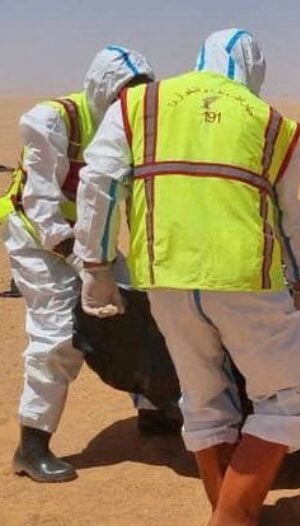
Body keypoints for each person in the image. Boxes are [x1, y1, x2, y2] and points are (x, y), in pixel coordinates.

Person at [74, 29, 300, 526]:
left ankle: (235, 517)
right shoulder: (275, 124)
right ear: (253, 72)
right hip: (245, 278)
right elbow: (290, 217)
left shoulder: (139, 104)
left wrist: (95, 266)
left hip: (165, 277)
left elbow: (99, 184)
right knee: (287, 395)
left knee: (205, 397)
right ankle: (231, 524)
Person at [0, 46, 175, 484]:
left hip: (93, 241)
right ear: (102, 89)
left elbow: (135, 202)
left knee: (143, 315)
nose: (129, 103)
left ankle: (154, 413)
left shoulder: (139, 128)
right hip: (38, 239)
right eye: (122, 94)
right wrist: (85, 261)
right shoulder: (54, 120)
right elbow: (40, 202)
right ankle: (32, 444)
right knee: (58, 332)